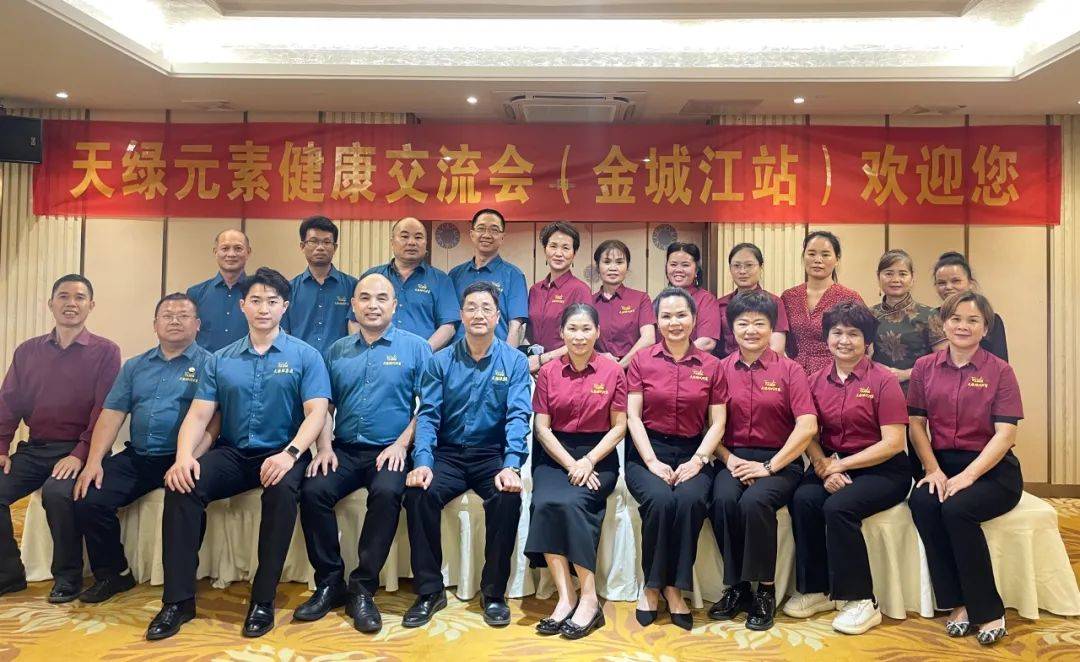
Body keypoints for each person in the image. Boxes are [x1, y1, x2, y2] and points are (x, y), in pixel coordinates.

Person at [147, 268, 331, 641]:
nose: (264, 309)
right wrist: (183, 457)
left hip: (283, 451)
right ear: (243, 305)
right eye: (256, 301)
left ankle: (262, 600)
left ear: (284, 307)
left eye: (272, 302)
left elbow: (317, 412)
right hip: (233, 453)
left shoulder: (305, 355)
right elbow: (199, 415)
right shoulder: (220, 359)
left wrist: (291, 454)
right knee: (182, 486)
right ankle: (178, 601)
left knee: (281, 494)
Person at [294, 274, 431, 634]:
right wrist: (324, 447)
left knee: (386, 493)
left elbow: (428, 408)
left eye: (382, 298)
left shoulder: (416, 348)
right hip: (343, 449)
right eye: (365, 298)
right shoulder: (336, 351)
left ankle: (362, 588)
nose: (373, 305)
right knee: (312, 490)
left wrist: (401, 444)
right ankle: (330, 583)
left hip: (391, 450)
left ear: (394, 306)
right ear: (353, 305)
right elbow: (324, 407)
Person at [73, 293, 217, 603]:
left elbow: (214, 420)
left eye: (183, 315)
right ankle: (114, 574)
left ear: (197, 324)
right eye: (167, 315)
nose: (175, 321)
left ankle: (181, 583)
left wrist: (190, 458)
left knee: (186, 500)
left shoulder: (211, 364)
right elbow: (112, 415)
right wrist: (94, 461)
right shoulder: (135, 366)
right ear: (155, 324)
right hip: (138, 456)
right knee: (90, 496)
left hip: (184, 457)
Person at [403, 281, 531, 629]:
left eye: (486, 308)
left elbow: (518, 416)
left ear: (497, 316)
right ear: (461, 315)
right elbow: (428, 415)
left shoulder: (515, 362)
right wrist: (423, 462)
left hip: (491, 455)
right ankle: (430, 591)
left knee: (507, 498)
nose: (478, 314)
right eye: (471, 307)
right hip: (448, 454)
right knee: (417, 493)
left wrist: (511, 465)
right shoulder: (440, 360)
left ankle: (493, 593)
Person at [785, 301, 909, 635]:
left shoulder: (884, 380)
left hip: (883, 469)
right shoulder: (814, 381)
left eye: (853, 334)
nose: (844, 340)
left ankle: (862, 601)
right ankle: (817, 589)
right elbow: (808, 432)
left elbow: (893, 443)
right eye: (837, 332)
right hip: (831, 461)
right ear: (826, 337)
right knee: (804, 499)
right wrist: (822, 465)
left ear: (867, 340)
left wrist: (839, 466)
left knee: (839, 508)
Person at [907, 291, 1023, 647]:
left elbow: (1006, 434)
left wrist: (968, 476)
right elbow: (916, 424)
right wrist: (932, 469)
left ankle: (988, 608)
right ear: (943, 324)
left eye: (973, 320)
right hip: (942, 463)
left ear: (985, 328)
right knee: (923, 503)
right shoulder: (924, 367)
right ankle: (956, 601)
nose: (963, 326)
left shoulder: (1000, 371)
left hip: (992, 469)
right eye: (955, 318)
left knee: (957, 509)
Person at [0, 274, 121, 602]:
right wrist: (2, 446)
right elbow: (8, 402)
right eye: (64, 296)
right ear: (51, 304)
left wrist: (80, 454)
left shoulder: (106, 352)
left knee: (57, 494)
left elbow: (104, 410)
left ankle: (68, 576)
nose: (71, 303)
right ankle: (8, 574)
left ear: (91, 305)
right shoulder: (27, 351)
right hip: (36, 448)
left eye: (79, 297)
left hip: (80, 448)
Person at [708, 291, 817, 631]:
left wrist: (769, 467)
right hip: (733, 457)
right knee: (723, 499)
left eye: (759, 323)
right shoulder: (720, 369)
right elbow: (711, 426)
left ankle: (765, 591)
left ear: (772, 328)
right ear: (732, 329)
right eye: (743, 323)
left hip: (780, 461)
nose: (751, 330)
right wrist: (728, 460)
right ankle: (738, 587)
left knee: (755, 502)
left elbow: (807, 426)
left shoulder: (790, 370)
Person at [626, 287, 727, 631]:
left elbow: (718, 422)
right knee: (659, 500)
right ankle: (652, 586)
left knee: (689, 500)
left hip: (693, 451)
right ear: (657, 321)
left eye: (681, 315)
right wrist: (651, 461)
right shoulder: (642, 360)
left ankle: (674, 588)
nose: (674, 322)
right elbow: (633, 417)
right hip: (647, 450)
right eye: (666, 316)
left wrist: (698, 460)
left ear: (694, 319)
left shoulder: (711, 366)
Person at [525, 303, 627, 640]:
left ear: (597, 332)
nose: (579, 336)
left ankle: (589, 598)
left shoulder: (613, 371)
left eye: (586, 329)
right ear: (562, 333)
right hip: (555, 453)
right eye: (572, 329)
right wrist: (572, 464)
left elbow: (619, 427)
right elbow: (542, 428)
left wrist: (589, 461)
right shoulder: (549, 372)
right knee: (545, 503)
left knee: (574, 503)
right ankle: (566, 596)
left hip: (598, 455)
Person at [870, 249, 943, 478]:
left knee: (917, 451)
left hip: (918, 393)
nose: (895, 279)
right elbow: (859, 355)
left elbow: (942, 358)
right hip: (879, 393)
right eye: (888, 273)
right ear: (879, 277)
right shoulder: (868, 315)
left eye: (902, 273)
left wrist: (906, 373)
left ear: (912, 278)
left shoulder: (929, 315)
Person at [360, 217, 459, 351]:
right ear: (392, 242)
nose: (411, 242)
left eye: (418, 237)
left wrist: (422, 353)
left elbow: (449, 327)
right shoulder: (371, 277)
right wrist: (366, 351)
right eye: (404, 236)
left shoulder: (441, 280)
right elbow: (355, 321)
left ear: (426, 243)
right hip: (376, 357)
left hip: (423, 360)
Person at [782, 231, 865, 375]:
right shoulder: (789, 297)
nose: (818, 260)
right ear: (803, 257)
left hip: (835, 374)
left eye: (825, 255)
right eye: (811, 254)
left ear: (837, 260)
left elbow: (864, 342)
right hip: (793, 374)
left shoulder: (849, 297)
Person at [448, 209, 529, 347]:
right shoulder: (455, 275)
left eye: (494, 230)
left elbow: (515, 327)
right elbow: (448, 322)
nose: (486, 235)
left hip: (496, 355)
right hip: (458, 355)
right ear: (472, 234)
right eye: (481, 228)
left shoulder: (514, 275)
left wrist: (507, 358)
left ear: (502, 237)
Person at [281, 215, 358, 356]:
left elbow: (356, 331)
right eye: (313, 241)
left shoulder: (352, 286)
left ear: (335, 247)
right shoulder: (288, 289)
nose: (320, 247)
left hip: (340, 362)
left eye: (327, 242)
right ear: (302, 246)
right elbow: (284, 334)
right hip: (301, 363)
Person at [526, 222, 592, 374]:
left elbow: (585, 337)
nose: (558, 253)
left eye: (566, 248)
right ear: (545, 249)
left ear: (574, 253)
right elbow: (529, 333)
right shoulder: (535, 290)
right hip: (534, 369)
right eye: (553, 246)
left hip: (566, 368)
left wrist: (543, 359)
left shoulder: (580, 290)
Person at [930, 252, 1008, 362]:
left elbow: (1000, 364)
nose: (948, 287)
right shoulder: (929, 318)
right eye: (941, 283)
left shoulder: (991, 319)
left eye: (956, 281)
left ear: (970, 283)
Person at [716, 243, 789, 357]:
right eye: (736, 266)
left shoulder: (774, 302)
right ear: (730, 268)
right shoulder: (720, 304)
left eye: (749, 265)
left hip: (764, 365)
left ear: (760, 267)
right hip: (726, 365)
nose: (742, 271)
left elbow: (777, 348)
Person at [591, 239, 655, 369]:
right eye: (607, 262)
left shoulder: (641, 298)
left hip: (634, 371)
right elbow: (579, 339)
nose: (613, 268)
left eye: (619, 262)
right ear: (598, 267)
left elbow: (649, 338)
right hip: (597, 370)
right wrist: (598, 356)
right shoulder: (588, 302)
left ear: (627, 266)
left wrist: (619, 367)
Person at [187, 229, 252, 352]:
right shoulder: (195, 294)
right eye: (225, 248)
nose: (231, 254)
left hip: (248, 362)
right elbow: (187, 336)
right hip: (206, 363)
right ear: (215, 252)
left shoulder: (259, 295)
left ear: (248, 252)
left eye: (238, 248)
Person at [664, 242, 721, 353]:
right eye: (673, 264)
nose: (678, 269)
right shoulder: (660, 300)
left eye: (685, 265)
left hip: (693, 362)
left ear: (696, 270)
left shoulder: (706, 300)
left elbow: (707, 342)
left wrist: (674, 356)